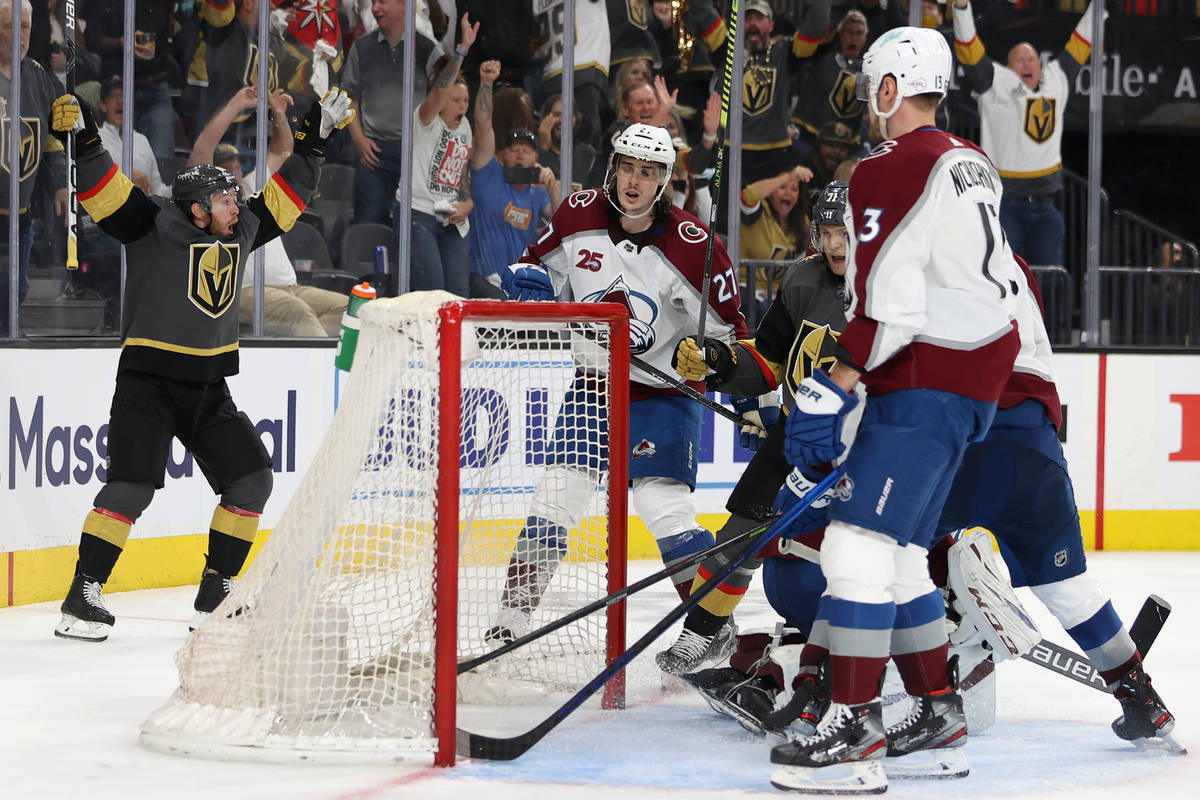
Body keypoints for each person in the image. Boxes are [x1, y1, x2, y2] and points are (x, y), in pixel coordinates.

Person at [767, 27, 1023, 794]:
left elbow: (890, 303)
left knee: (853, 551)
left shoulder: (887, 169)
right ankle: (938, 715)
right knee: (906, 555)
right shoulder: (972, 162)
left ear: (887, 90)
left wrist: (833, 382)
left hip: (925, 386)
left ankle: (852, 736)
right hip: (970, 387)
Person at [50, 87, 355, 641]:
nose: (237, 208)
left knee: (251, 479)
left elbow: (286, 195)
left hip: (208, 387)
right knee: (130, 488)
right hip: (147, 383)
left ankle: (217, 588)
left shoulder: (242, 230)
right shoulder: (150, 224)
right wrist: (86, 136)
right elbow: (102, 187)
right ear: (196, 209)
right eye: (225, 202)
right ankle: (83, 593)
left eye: (236, 201)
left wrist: (315, 141)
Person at [485, 122, 749, 644]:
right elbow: (532, 268)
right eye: (626, 167)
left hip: (665, 391)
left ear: (664, 181)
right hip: (595, 383)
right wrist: (529, 286)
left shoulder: (695, 246)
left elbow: (734, 334)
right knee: (556, 496)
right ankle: (510, 621)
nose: (633, 180)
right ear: (613, 168)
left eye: (647, 172)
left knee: (661, 506)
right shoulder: (578, 213)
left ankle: (711, 625)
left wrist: (715, 358)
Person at [657, 181, 852, 675]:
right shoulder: (802, 282)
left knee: (867, 549)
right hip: (797, 436)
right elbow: (769, 360)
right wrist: (718, 362)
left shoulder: (892, 288)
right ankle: (701, 633)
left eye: (843, 234)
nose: (833, 245)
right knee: (739, 535)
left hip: (867, 443)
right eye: (826, 232)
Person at [952, 0, 1098, 268]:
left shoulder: (1057, 80)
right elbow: (970, 51)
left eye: (1031, 58)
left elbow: (1082, 41)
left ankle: (1049, 312)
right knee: (998, 276)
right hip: (1005, 205)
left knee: (1052, 279)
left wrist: (1099, 8)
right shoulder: (996, 83)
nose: (1026, 63)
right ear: (1009, 67)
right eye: (1019, 60)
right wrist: (961, 9)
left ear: (1040, 65)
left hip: (1047, 207)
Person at [1, 0, 67, 338]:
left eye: (24, 26)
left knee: (15, 295)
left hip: (20, 216)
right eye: (10, 26)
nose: (19, 35)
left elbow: (54, 136)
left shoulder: (39, 77)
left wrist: (59, 182)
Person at [465, 60, 559, 299]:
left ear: (536, 157)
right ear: (502, 153)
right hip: (481, 281)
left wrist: (552, 188)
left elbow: (563, 229)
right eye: (514, 148)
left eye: (527, 150)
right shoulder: (487, 172)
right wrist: (486, 83)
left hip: (517, 285)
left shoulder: (537, 192)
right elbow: (482, 125)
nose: (520, 154)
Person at [342, 0, 440, 225]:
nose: (375, 8)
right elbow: (349, 100)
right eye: (374, 2)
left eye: (382, 2)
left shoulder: (428, 50)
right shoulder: (361, 48)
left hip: (417, 157)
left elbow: (442, 101)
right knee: (368, 228)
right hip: (374, 156)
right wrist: (359, 141)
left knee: (414, 232)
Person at [404, 18, 478, 298]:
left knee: (459, 291)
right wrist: (462, 50)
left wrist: (468, 202)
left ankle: (457, 344)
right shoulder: (425, 118)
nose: (462, 106)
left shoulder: (466, 128)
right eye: (455, 100)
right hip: (417, 213)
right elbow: (439, 90)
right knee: (432, 292)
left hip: (451, 218)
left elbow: (462, 174)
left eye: (466, 101)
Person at [83, 0, 180, 159]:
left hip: (155, 87)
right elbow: (91, 39)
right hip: (118, 90)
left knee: (161, 162)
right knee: (117, 161)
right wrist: (121, 43)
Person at [738, 164, 814, 321]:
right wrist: (789, 176)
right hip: (745, 292)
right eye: (782, 187)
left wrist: (778, 290)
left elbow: (799, 269)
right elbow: (747, 196)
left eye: (794, 189)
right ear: (771, 191)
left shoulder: (802, 223)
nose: (788, 193)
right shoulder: (759, 212)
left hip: (778, 295)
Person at [96, 76, 171, 198]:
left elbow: (157, 189)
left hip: (143, 212)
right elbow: (93, 182)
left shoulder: (142, 140)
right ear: (103, 105)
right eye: (113, 96)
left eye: (124, 95)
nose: (120, 100)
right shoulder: (94, 139)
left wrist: (179, 189)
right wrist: (127, 175)